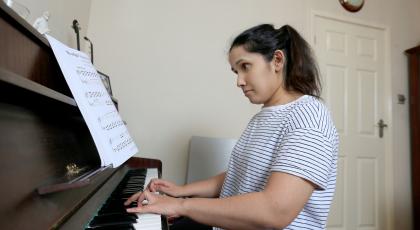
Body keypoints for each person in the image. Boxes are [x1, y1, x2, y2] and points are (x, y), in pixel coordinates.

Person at [125, 24, 339, 230]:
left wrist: (182, 205)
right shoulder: (262, 118)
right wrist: (181, 191)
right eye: (235, 71)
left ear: (277, 60)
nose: (239, 81)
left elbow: (275, 211)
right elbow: (239, 175)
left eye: (245, 67)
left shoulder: (310, 117)